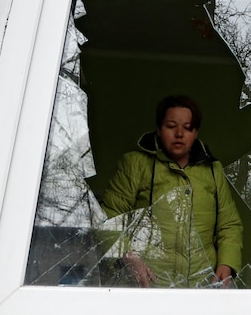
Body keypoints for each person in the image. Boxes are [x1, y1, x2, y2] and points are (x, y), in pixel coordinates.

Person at [101, 95, 243, 288]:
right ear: (159, 130)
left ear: (195, 133)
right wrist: (129, 257)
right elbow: (109, 217)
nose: (179, 134)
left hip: (201, 287)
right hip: (148, 284)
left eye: (187, 127)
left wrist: (227, 262)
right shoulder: (136, 163)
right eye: (171, 126)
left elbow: (229, 224)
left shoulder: (212, 169)